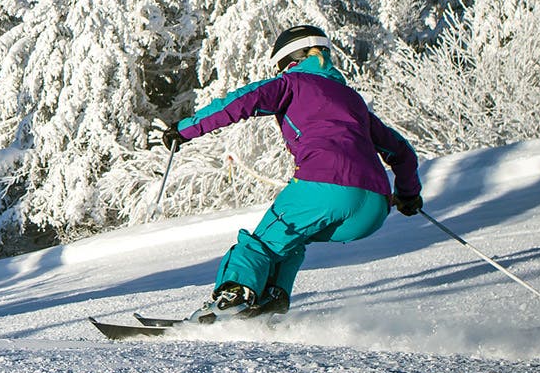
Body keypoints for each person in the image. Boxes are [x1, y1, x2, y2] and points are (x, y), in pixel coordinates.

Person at [150, 24, 421, 320]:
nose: (281, 72)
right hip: (373, 209)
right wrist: (408, 195)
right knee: (291, 238)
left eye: (281, 66)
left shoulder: (292, 84)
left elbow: (240, 103)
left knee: (261, 242)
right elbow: (402, 153)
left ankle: (231, 300)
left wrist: (186, 129)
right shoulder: (351, 100)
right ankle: (271, 302)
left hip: (325, 187)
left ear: (291, 60)